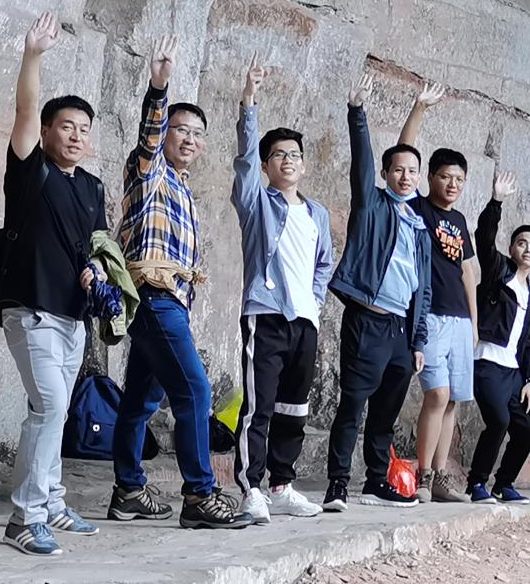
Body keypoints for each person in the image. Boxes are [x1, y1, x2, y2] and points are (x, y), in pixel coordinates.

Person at [110, 36, 253, 530]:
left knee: (140, 400)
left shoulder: (183, 189)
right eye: (180, 130)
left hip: (169, 302)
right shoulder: (148, 171)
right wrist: (159, 87)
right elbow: (149, 134)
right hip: (154, 297)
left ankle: (128, 490)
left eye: (197, 133)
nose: (189, 139)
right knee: (194, 391)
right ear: (165, 134)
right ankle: (199, 496)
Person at [0, 12, 107, 555]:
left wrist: (99, 271)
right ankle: (24, 517)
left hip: (73, 317)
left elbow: (100, 248)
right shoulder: (30, 170)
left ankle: (53, 502)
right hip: (32, 310)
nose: (76, 136)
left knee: (55, 411)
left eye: (84, 129)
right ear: (45, 132)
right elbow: (23, 109)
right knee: (49, 409)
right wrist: (33, 55)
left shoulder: (91, 187)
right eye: (66, 126)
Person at [231, 54, 335, 522]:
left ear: (304, 165)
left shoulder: (317, 214)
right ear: (267, 165)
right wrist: (249, 103)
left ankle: (281, 484)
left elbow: (324, 263)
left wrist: (314, 300)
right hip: (266, 315)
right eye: (279, 155)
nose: (288, 161)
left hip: (304, 322)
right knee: (259, 407)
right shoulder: (257, 202)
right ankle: (250, 488)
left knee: (294, 409)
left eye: (294, 155)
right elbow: (244, 163)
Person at [323, 74, 433, 512]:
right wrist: (358, 114)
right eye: (398, 170)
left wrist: (419, 340)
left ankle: (374, 482)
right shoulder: (372, 206)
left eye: (412, 171)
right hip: (367, 320)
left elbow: (423, 289)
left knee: (386, 414)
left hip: (401, 332)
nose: (405, 177)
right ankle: (337, 484)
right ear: (386, 175)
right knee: (352, 404)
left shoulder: (420, 226)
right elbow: (362, 165)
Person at [398, 83, 478, 504]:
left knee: (453, 402)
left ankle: (442, 475)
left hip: (461, 320)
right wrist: (419, 109)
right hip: (430, 316)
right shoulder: (419, 208)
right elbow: (403, 155)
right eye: (445, 176)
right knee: (437, 394)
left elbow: (468, 273)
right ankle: (424, 474)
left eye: (459, 179)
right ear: (430, 177)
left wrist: (475, 324)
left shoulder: (460, 220)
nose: (452, 184)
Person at [465, 171, 530, 505]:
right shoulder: (499, 272)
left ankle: (504, 484)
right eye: (522, 243)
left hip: (514, 373)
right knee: (498, 421)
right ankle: (476, 484)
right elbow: (484, 237)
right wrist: (496, 202)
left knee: (527, 429)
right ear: (512, 248)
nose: (528, 249)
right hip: (486, 362)